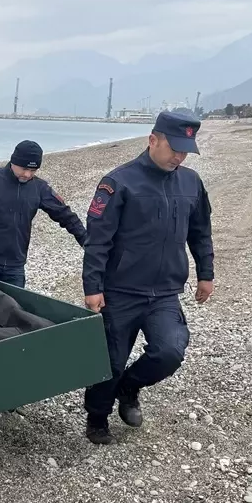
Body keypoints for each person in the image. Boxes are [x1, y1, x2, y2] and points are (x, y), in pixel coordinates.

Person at [81, 112, 215, 445]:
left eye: (186, 150)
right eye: (175, 148)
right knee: (109, 361)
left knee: (170, 350)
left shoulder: (191, 182)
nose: (180, 156)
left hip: (165, 292)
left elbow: (200, 233)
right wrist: (93, 287)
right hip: (120, 291)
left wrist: (206, 273)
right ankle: (97, 418)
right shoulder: (118, 182)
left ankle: (130, 386)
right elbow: (98, 240)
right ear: (153, 140)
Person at [0, 140, 86, 287]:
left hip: (16, 264)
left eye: (33, 170)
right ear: (13, 161)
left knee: (14, 308)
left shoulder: (39, 187)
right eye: (23, 169)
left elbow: (65, 215)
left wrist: (87, 242)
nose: (28, 174)